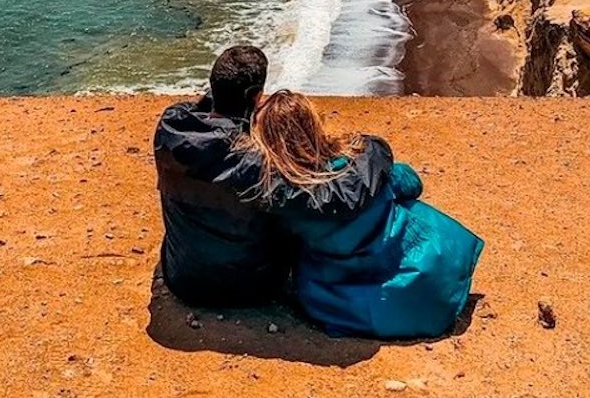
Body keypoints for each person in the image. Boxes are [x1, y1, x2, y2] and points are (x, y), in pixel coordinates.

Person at [235, 89, 484, 339]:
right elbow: (412, 183)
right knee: (403, 203)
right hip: (433, 281)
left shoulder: (283, 199)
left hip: (348, 303)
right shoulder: (359, 164)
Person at [153, 45, 291, 306]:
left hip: (184, 280)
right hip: (257, 287)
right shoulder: (259, 161)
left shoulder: (170, 129)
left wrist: (225, 100)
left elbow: (193, 110)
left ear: (213, 87)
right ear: (256, 97)